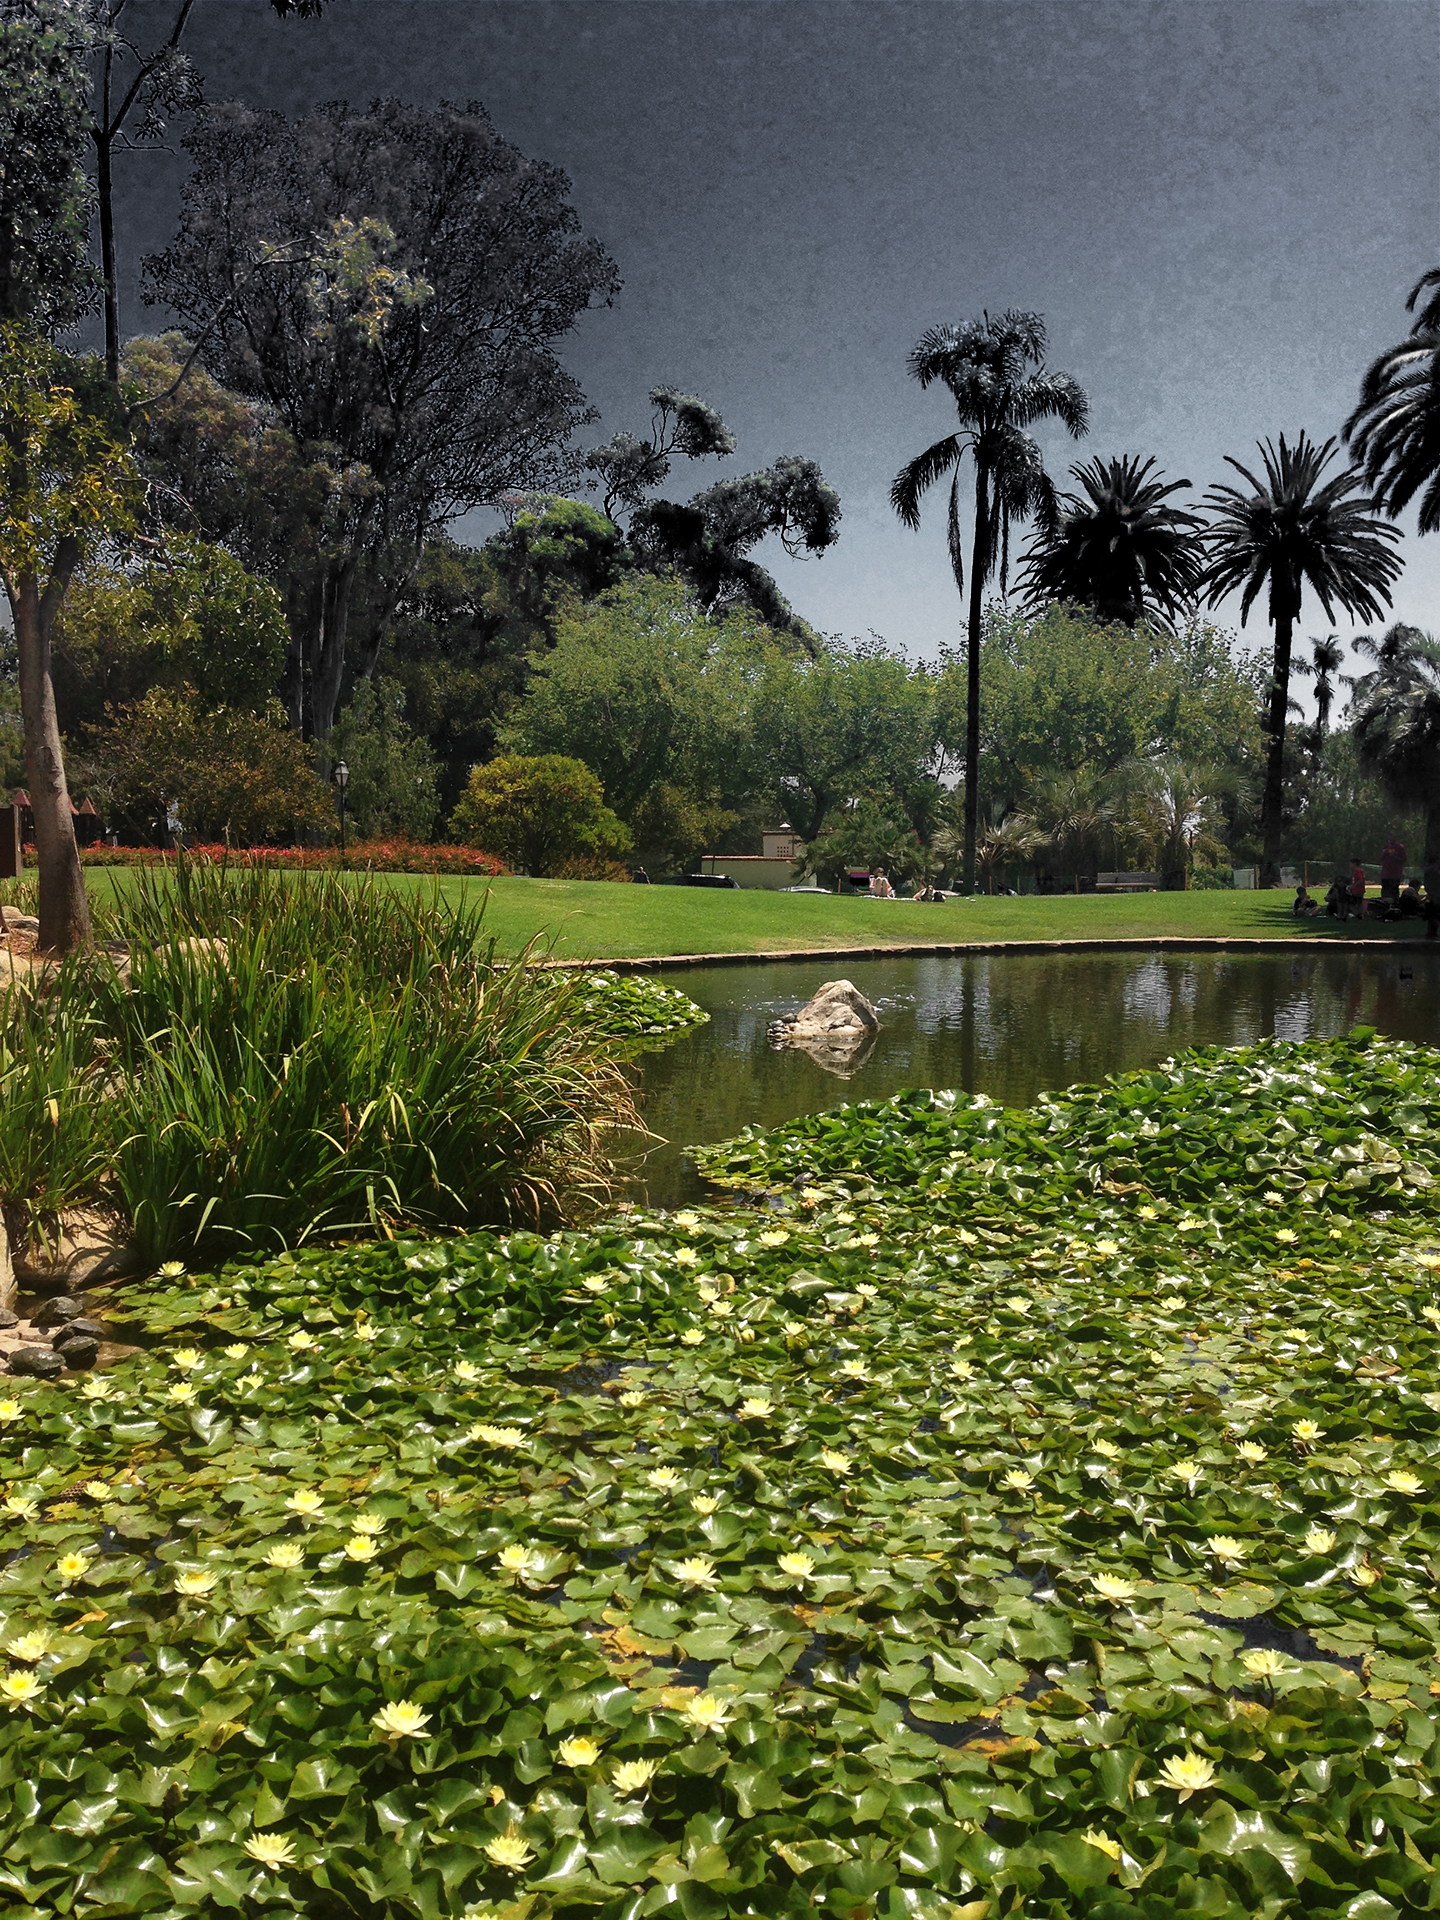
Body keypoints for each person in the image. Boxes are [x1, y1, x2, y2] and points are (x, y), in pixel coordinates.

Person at [1380, 835, 1407, 905]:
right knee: (1385, 892)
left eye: (1393, 840)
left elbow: (1403, 860)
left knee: (1394, 892)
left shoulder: (1400, 848)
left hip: (1395, 875)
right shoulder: (1386, 848)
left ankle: (1395, 906)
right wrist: (1384, 853)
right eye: (1390, 840)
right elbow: (1380, 859)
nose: (1391, 842)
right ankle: (1384, 905)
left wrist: (1396, 856)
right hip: (1385, 874)